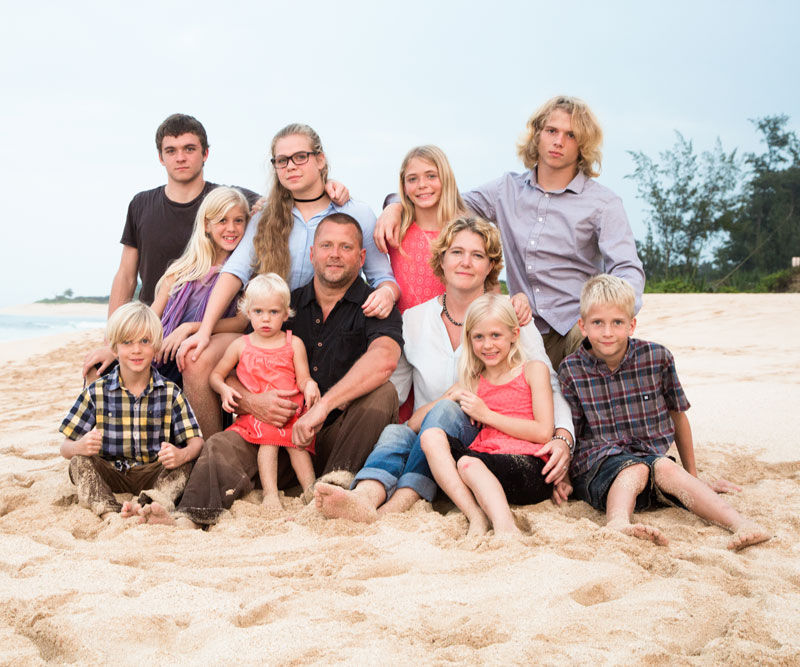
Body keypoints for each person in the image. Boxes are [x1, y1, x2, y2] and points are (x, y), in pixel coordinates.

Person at [137, 212, 403, 528]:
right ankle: (190, 517)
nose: (334, 254)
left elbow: (385, 357)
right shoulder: (285, 307)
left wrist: (322, 408)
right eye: (327, 245)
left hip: (336, 435)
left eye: (345, 247)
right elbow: (240, 357)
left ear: (361, 258)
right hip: (277, 433)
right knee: (221, 443)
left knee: (383, 393)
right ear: (311, 253)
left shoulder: (374, 304)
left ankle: (335, 487)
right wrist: (252, 402)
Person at [314, 216, 575, 525]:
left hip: (489, 439)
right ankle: (366, 496)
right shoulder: (412, 320)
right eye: (456, 252)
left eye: (477, 255)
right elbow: (395, 393)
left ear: (490, 265)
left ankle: (405, 499)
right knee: (396, 431)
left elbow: (548, 382)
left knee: (446, 412)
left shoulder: (509, 315)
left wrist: (563, 438)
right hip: (433, 438)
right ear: (441, 259)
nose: (466, 262)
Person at [375, 96, 645, 369]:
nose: (559, 141)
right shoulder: (506, 190)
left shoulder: (603, 203)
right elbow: (444, 203)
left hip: (576, 325)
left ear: (583, 144)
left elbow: (627, 269)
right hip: (521, 325)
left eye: (571, 135)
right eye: (551, 131)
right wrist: (395, 205)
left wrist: (611, 316)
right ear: (537, 135)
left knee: (596, 347)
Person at [176, 123, 399, 437]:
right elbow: (234, 273)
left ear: (320, 160)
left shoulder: (356, 213)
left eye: (300, 157)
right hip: (270, 330)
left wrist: (387, 293)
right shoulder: (265, 216)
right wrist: (205, 330)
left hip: (328, 333)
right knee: (195, 360)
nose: (290, 166)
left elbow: (382, 277)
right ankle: (212, 453)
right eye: (282, 160)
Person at [559, 274, 770, 550]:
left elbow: (678, 415)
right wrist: (563, 479)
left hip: (651, 458)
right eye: (598, 323)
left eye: (617, 323)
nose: (607, 332)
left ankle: (739, 523)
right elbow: (569, 432)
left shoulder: (657, 358)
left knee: (666, 467)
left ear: (631, 324)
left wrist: (692, 473)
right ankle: (618, 523)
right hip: (599, 465)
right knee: (632, 469)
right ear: (582, 326)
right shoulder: (571, 370)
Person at [81, 113, 259, 379]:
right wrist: (113, 343)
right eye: (171, 151)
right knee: (98, 370)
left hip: (210, 325)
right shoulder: (141, 204)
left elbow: (281, 203)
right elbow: (126, 275)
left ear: (205, 154)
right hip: (155, 322)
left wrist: (327, 185)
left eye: (189, 149)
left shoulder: (226, 199)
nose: (180, 157)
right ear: (161, 157)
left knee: (191, 359)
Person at [420, 294, 555, 537]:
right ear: (469, 339)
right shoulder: (473, 381)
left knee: (468, 464)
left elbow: (544, 432)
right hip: (484, 463)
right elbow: (413, 423)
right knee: (431, 438)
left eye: (496, 335)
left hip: (528, 466)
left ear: (514, 334)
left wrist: (487, 415)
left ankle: (506, 529)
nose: (487, 345)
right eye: (478, 337)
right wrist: (448, 398)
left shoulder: (533, 370)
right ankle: (475, 515)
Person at [58, 302, 203, 520]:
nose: (136, 349)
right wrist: (80, 445)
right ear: (114, 349)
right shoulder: (97, 391)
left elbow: (197, 442)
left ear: (155, 346)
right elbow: (65, 447)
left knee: (187, 466)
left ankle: (150, 505)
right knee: (78, 463)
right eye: (127, 342)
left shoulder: (171, 392)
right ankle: (108, 510)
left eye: (144, 341)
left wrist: (181, 454)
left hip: (153, 472)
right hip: (111, 471)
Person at [208, 274, 320, 511]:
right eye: (258, 312)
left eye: (273, 312)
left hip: (290, 410)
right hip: (259, 414)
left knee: (296, 443)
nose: (265, 319)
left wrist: (310, 385)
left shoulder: (293, 343)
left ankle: (312, 491)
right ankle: (270, 495)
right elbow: (216, 375)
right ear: (248, 312)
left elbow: (303, 378)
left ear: (286, 313)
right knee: (269, 442)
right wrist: (225, 391)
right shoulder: (241, 345)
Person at [150, 186, 252, 385]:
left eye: (238, 221)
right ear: (206, 225)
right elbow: (152, 316)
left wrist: (190, 328)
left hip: (200, 350)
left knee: (189, 359)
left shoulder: (244, 275)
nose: (231, 228)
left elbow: (240, 323)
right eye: (222, 220)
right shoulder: (181, 271)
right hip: (162, 350)